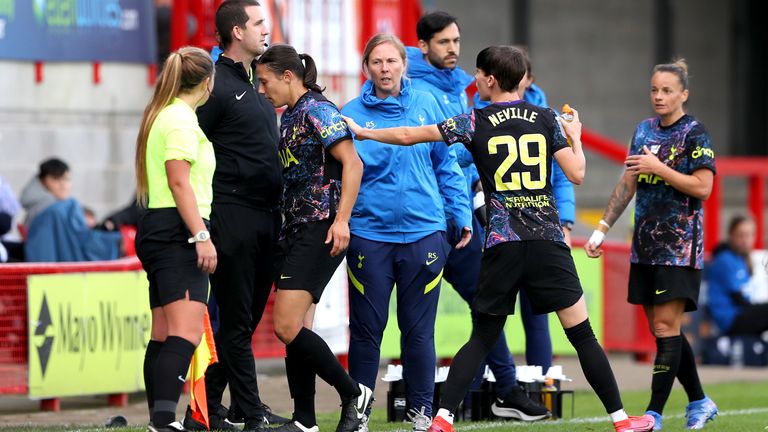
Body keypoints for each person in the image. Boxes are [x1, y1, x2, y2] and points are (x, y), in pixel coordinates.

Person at [343, 45, 655, 432]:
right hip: (546, 243)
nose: (474, 80)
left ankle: (441, 420)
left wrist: (363, 130)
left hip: (502, 242)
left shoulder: (474, 120)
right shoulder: (545, 118)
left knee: (482, 337)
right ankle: (622, 421)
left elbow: (411, 135)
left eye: (478, 75)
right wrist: (574, 136)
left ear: (491, 79)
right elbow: (576, 174)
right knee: (582, 334)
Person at [406, 12, 551, 422]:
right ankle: (420, 406)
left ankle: (504, 390)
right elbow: (431, 151)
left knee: (487, 306)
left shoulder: (460, 90)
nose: (453, 48)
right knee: (415, 318)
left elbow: (465, 155)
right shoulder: (413, 88)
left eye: (456, 40)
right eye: (443, 42)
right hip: (424, 217)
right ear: (423, 47)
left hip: (461, 216)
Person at [340, 34, 471, 432]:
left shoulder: (426, 104)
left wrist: (461, 213)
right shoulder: (349, 114)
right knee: (366, 333)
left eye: (392, 62)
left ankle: (420, 413)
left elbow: (447, 165)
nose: (385, 69)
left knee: (418, 332)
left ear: (403, 64)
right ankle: (358, 415)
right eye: (377, 62)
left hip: (424, 233)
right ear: (367, 68)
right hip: (369, 235)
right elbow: (341, 176)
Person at [585, 59, 717, 431]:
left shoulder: (695, 133)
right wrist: (602, 227)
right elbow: (628, 183)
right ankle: (700, 401)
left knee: (663, 328)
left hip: (679, 246)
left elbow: (703, 188)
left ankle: (653, 415)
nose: (658, 97)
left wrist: (660, 169)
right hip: (644, 246)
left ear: (683, 94)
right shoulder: (643, 131)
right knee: (666, 330)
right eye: (654, 90)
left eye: (667, 91)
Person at [255, 44, 371, 432]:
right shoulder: (289, 116)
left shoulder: (319, 110)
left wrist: (342, 221)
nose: (261, 89)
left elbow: (353, 164)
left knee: (285, 327)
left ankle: (353, 392)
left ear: (288, 77)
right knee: (298, 330)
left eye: (265, 81)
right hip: (294, 229)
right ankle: (305, 420)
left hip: (320, 228)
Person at [194, 1, 285, 429]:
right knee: (235, 320)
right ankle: (250, 411)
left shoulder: (256, 83)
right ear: (236, 32)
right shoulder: (213, 84)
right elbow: (188, 147)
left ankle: (206, 410)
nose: (266, 30)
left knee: (243, 322)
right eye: (258, 23)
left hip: (267, 216)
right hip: (232, 214)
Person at [134, 45, 216, 432]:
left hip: (159, 226)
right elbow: (178, 180)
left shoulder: (163, 115)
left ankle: (160, 420)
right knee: (185, 333)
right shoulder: (181, 120)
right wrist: (200, 234)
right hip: (178, 230)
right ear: (206, 82)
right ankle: (164, 422)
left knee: (164, 334)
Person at [20, 158, 122, 262]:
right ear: (42, 182)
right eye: (56, 179)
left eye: (66, 179)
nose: (63, 185)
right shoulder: (57, 210)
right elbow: (80, 240)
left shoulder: (60, 207)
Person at [706, 215, 768, 336]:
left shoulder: (740, 258)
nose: (745, 240)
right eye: (741, 235)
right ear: (731, 235)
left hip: (740, 313)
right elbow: (738, 298)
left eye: (749, 235)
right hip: (729, 318)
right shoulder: (725, 259)